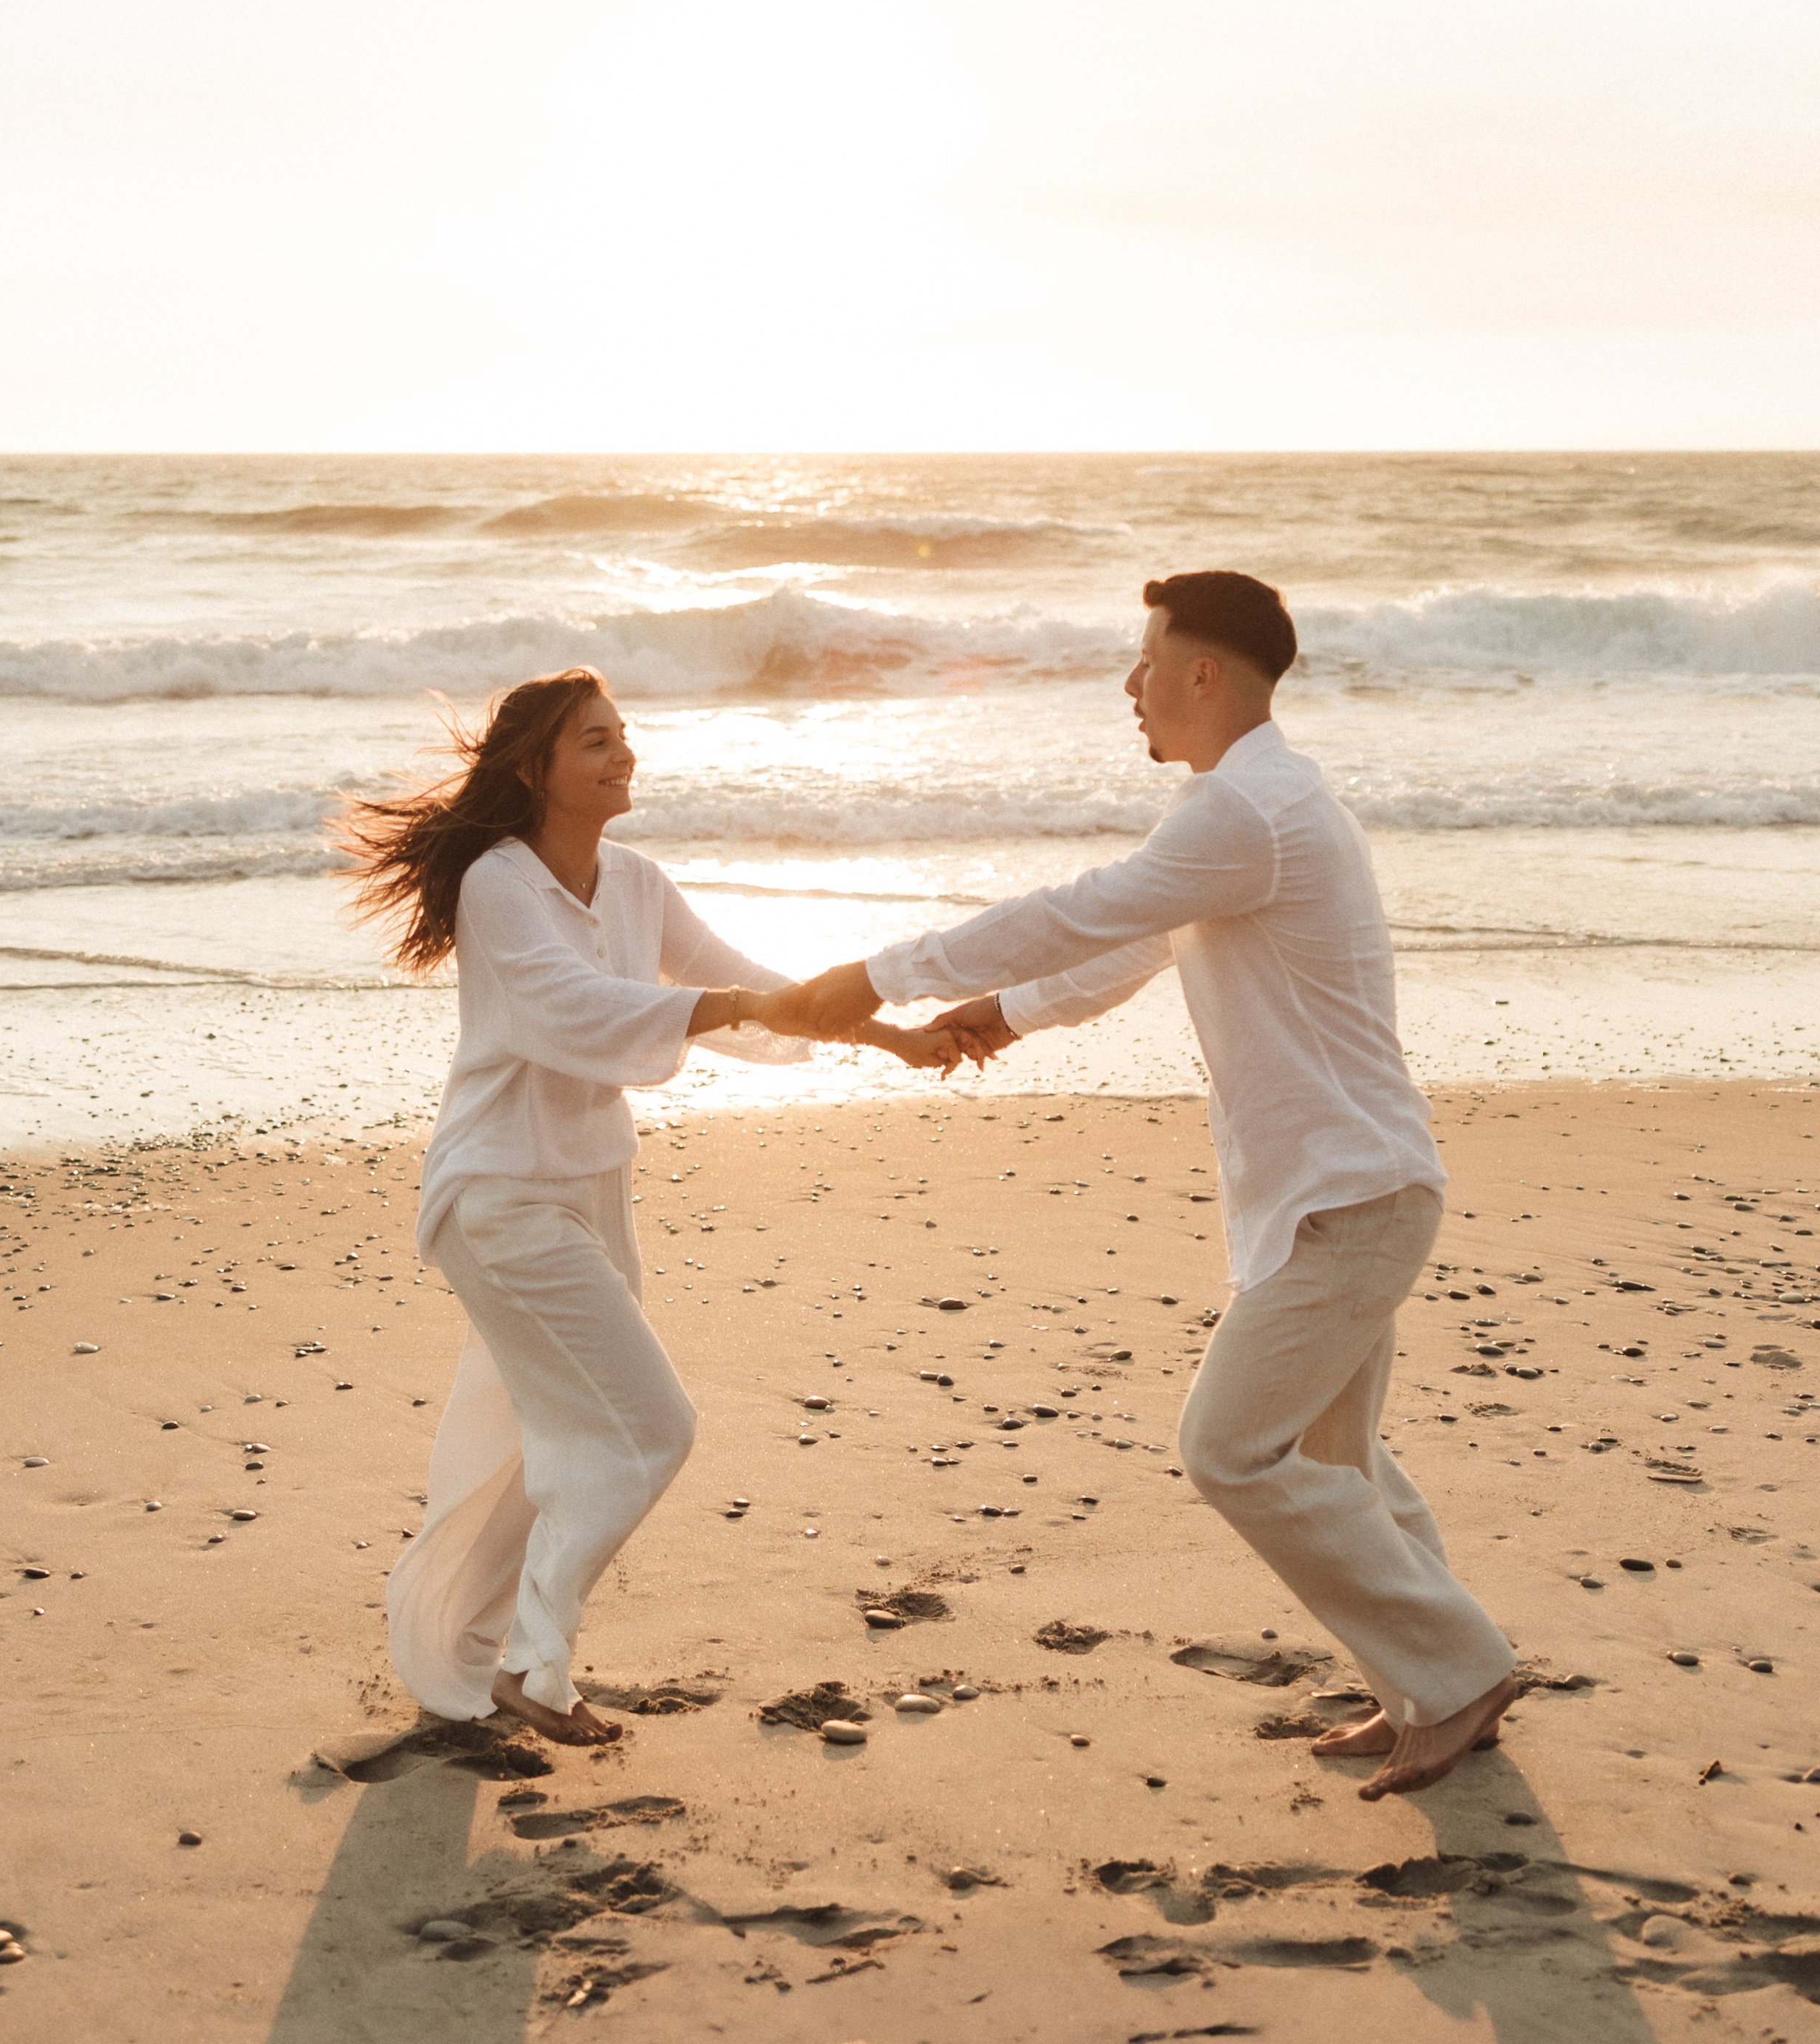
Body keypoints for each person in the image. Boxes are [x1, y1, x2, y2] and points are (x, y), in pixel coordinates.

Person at [768, 572, 1517, 1803]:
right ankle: (1430, 1688)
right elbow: (1131, 940)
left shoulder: (1244, 814)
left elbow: (1083, 909)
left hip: (1349, 1198)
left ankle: (1459, 1672)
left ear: (1205, 674)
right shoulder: (1256, 805)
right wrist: (1001, 1018)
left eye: (1147, 660)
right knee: (1339, 1463)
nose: (1131, 685)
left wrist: (878, 974)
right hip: (1348, 1188)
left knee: (1230, 1450)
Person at [336, 665, 958, 1746]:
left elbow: (754, 984)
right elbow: (575, 1014)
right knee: (646, 1429)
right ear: (535, 770)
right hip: (502, 1198)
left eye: (624, 735)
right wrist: (725, 1007)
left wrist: (886, 1035)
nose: (624, 754)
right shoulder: (499, 883)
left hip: (588, 1193)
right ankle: (536, 1664)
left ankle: (469, 1659)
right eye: (595, 742)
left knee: (545, 1448)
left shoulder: (634, 881)